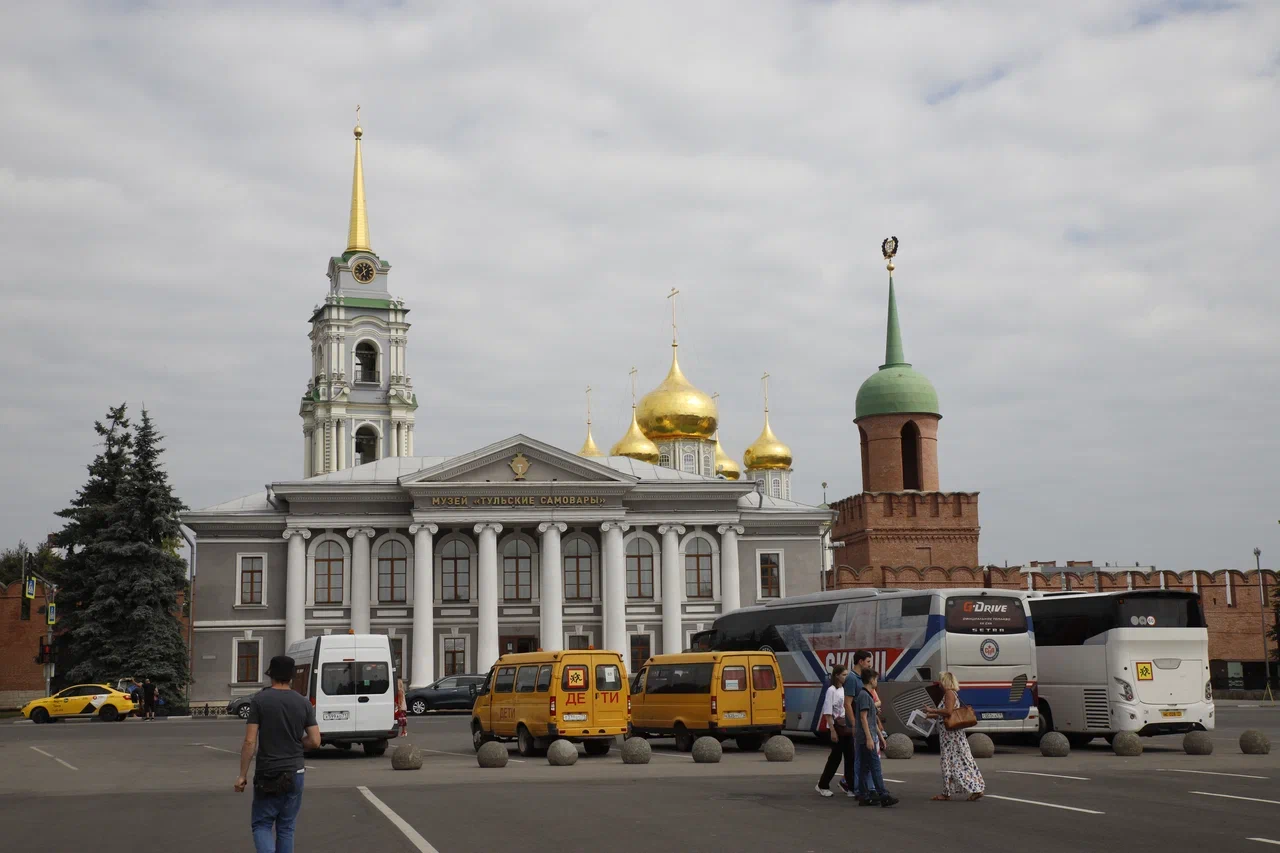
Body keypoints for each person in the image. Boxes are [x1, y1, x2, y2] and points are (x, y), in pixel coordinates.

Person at [235, 655, 321, 853]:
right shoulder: (303, 703)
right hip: (295, 772)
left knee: (262, 824)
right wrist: (298, 743)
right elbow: (315, 741)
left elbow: (250, 741)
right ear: (291, 677)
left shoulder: (260, 700)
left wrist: (242, 775)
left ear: (270, 675)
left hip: (268, 772)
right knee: (286, 827)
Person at [923, 671, 985, 802]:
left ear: (944, 681)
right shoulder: (952, 693)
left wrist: (932, 710)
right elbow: (947, 714)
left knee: (949, 762)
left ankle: (948, 793)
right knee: (961, 761)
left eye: (940, 680)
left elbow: (948, 711)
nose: (938, 683)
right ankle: (974, 788)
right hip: (953, 735)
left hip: (950, 737)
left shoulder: (948, 693)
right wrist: (932, 715)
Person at [855, 669, 898, 807]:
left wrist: (880, 736)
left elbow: (871, 719)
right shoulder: (864, 696)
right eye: (876, 679)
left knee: (865, 767)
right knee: (875, 766)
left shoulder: (865, 695)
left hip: (868, 736)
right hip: (867, 737)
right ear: (871, 680)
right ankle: (883, 794)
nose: (876, 682)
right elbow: (863, 718)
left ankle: (864, 795)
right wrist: (869, 738)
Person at [816, 664, 855, 798]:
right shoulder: (831, 690)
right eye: (843, 675)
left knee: (850, 757)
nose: (846, 677)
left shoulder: (846, 689)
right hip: (836, 727)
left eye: (847, 675)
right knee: (835, 757)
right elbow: (828, 712)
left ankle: (850, 786)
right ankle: (822, 785)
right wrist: (832, 730)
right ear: (837, 675)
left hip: (846, 727)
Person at [840, 650, 873, 799]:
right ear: (860, 662)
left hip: (863, 722)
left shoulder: (861, 678)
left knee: (860, 758)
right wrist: (854, 725)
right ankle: (854, 787)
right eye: (868, 661)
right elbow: (847, 704)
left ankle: (860, 786)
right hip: (858, 724)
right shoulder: (852, 679)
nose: (869, 664)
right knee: (858, 758)